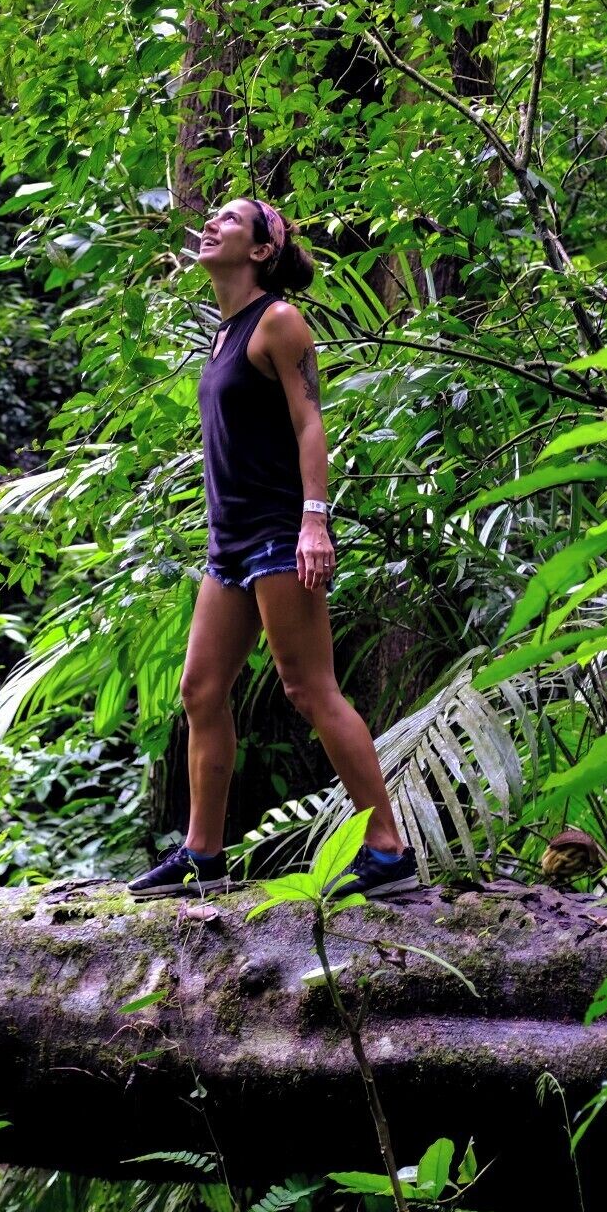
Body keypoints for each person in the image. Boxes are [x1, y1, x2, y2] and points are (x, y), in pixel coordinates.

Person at [127, 198, 419, 901]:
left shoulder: (278, 320)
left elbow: (309, 422)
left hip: (278, 535)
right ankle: (202, 854)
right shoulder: (226, 334)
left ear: (262, 249)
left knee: (308, 687)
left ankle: (387, 850)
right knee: (200, 690)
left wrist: (314, 521)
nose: (211, 225)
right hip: (228, 544)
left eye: (229, 219)